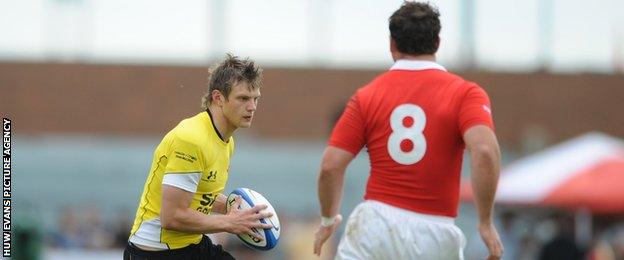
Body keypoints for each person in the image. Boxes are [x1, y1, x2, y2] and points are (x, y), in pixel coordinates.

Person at [313, 2, 503, 260]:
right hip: (436, 232)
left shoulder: (367, 96)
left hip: (375, 226)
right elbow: (484, 151)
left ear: (392, 43)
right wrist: (485, 221)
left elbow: (330, 166)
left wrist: (327, 219)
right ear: (437, 42)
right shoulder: (465, 93)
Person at [124, 54, 273, 260]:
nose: (252, 107)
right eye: (243, 99)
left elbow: (199, 195)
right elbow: (172, 216)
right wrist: (230, 222)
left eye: (255, 98)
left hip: (189, 245)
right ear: (218, 98)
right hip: (155, 252)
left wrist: (238, 209)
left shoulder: (226, 141)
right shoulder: (192, 139)